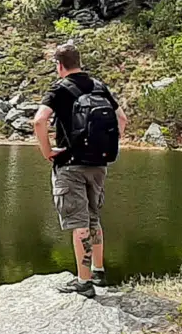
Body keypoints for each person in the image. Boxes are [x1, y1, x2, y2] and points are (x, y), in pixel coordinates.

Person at [32, 42, 126, 298]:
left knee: (79, 223)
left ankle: (84, 283)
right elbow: (123, 119)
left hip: (71, 165)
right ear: (79, 61)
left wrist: (48, 151)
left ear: (59, 65)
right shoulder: (99, 86)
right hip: (99, 164)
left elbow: (39, 120)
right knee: (93, 218)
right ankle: (98, 271)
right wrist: (107, 146)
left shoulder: (60, 88)